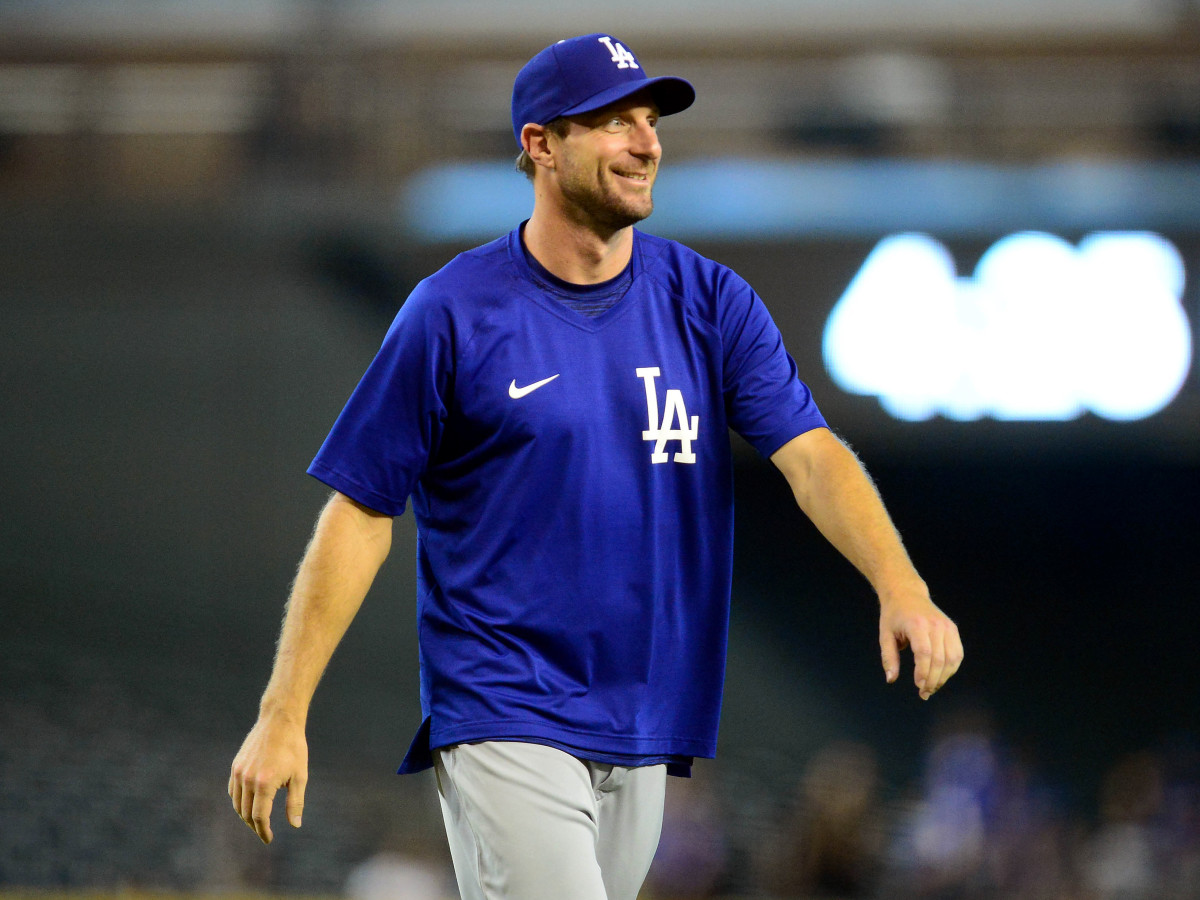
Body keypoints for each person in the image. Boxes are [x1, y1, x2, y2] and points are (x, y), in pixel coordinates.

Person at [228, 32, 964, 900]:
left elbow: (813, 458)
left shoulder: (711, 302)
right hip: (505, 703)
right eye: (616, 121)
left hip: (645, 714)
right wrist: (284, 713)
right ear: (541, 145)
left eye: (650, 121)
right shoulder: (455, 313)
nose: (648, 141)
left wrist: (900, 583)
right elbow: (360, 512)